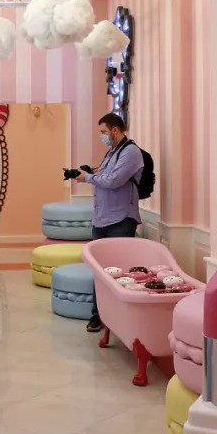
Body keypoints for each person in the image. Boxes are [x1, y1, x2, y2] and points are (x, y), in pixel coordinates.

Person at [74, 113, 144, 332]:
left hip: (120, 219)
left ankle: (118, 318)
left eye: (104, 132)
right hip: (101, 218)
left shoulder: (131, 152)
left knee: (119, 271)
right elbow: (103, 174)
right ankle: (98, 315)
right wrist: (89, 172)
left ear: (115, 130)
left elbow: (112, 180)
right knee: (99, 271)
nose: (102, 136)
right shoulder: (112, 152)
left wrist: (88, 178)